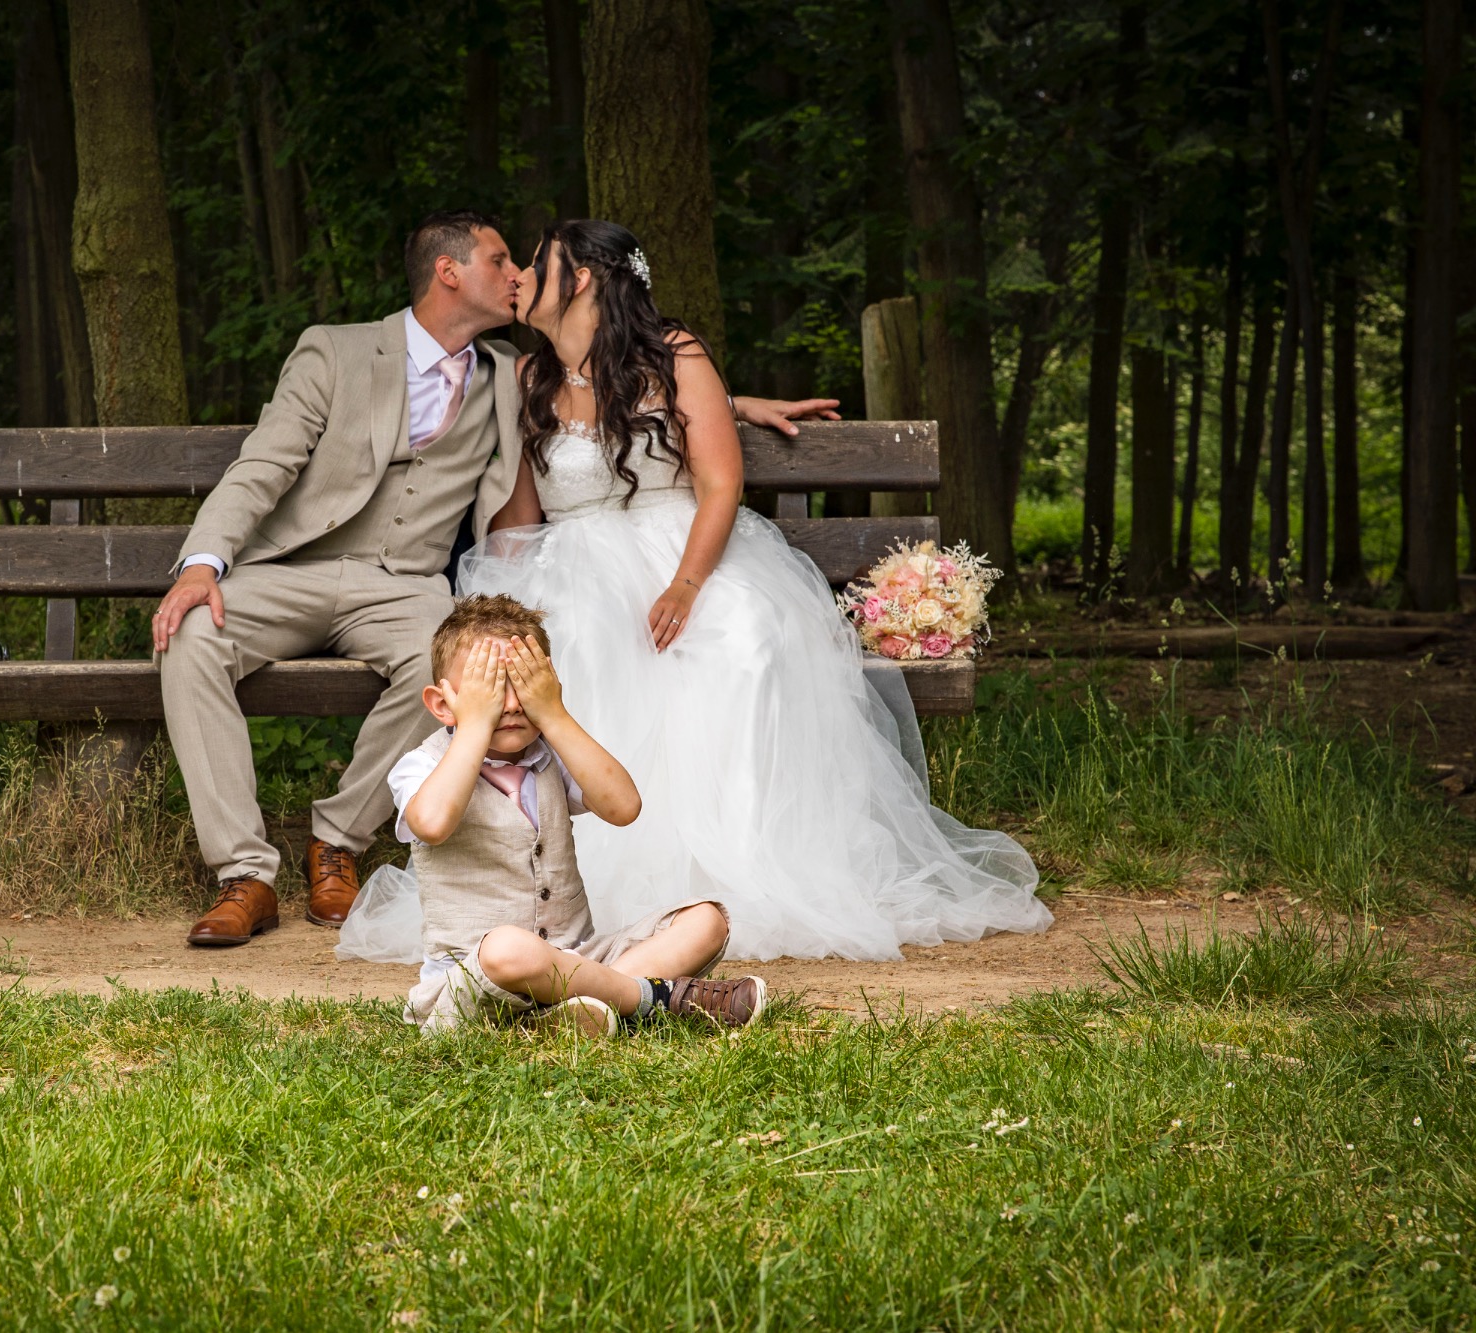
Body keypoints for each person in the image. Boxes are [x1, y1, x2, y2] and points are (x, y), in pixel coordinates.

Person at [151, 209, 831, 947]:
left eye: (527, 263)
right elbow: (262, 464)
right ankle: (245, 874)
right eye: (502, 260)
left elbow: (637, 388)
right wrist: (201, 563)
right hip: (297, 570)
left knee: (462, 662)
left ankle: (337, 840)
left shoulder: (505, 371)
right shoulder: (353, 354)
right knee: (190, 634)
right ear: (449, 272)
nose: (517, 276)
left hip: (405, 587)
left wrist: (734, 405)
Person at [450, 219, 1049, 961]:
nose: (518, 275)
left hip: (683, 550)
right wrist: (497, 608)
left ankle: (741, 863)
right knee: (573, 638)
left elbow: (720, 483)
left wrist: (685, 585)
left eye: (535, 262)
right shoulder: (525, 378)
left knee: (743, 636)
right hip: (571, 566)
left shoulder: (674, 355)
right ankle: (591, 879)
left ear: (578, 279)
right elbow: (519, 515)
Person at [385, 594, 767, 1035]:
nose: (510, 704)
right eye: (488, 688)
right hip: (481, 975)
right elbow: (433, 824)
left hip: (577, 960)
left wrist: (554, 715)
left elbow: (623, 807)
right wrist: (473, 725)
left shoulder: (551, 754)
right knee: (508, 948)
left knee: (706, 920)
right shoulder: (423, 766)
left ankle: (572, 1011)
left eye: (524, 685)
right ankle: (649, 999)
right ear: (441, 704)